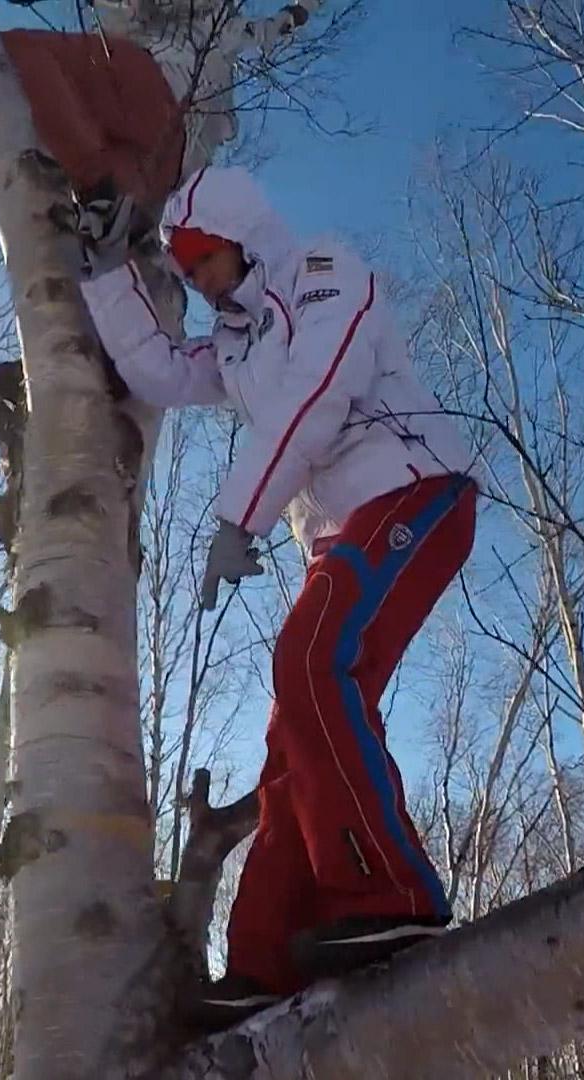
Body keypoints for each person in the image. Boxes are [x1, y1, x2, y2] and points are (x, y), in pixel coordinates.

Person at [78, 166, 478, 1028]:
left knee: (310, 661)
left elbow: (315, 401)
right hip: (338, 533)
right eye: (184, 269)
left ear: (244, 238)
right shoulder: (235, 342)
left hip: (415, 491)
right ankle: (265, 959)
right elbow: (159, 371)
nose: (197, 281)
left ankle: (393, 889)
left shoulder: (328, 276)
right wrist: (105, 271)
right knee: (292, 732)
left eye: (204, 260)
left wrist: (239, 520)